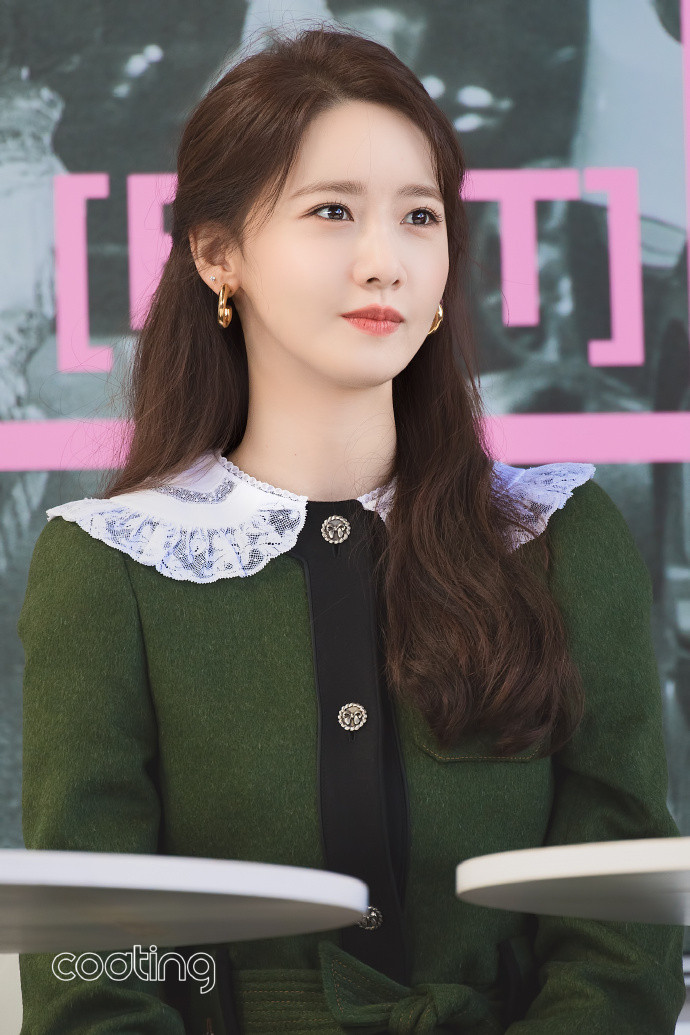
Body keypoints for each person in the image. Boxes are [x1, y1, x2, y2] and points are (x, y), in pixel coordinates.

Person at [17, 23, 685, 1035]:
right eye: (332, 211)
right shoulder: (109, 569)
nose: (385, 262)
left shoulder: (558, 537)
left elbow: (621, 921)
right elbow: (93, 967)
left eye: (419, 216)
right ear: (217, 253)